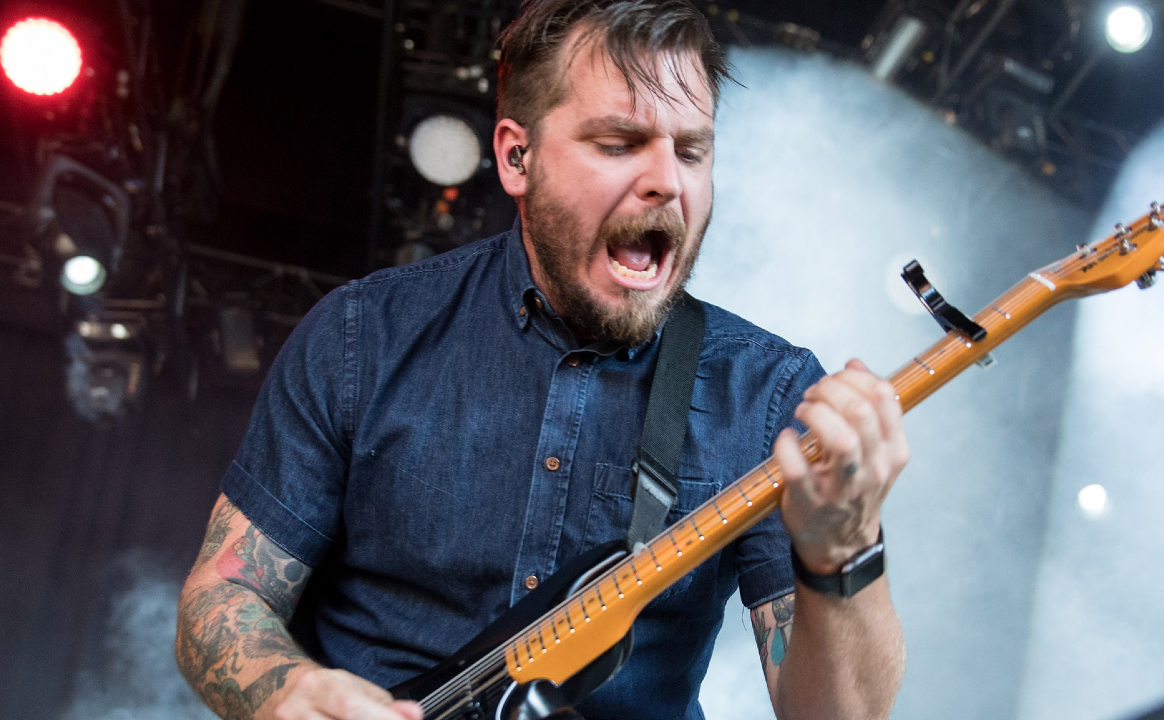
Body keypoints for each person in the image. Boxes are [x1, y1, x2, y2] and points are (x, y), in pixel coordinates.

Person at [174, 1, 909, 719]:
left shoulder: (767, 395)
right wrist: (286, 693)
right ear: (516, 157)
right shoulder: (361, 335)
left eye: (691, 151)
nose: (668, 181)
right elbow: (225, 595)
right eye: (619, 143)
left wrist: (844, 553)